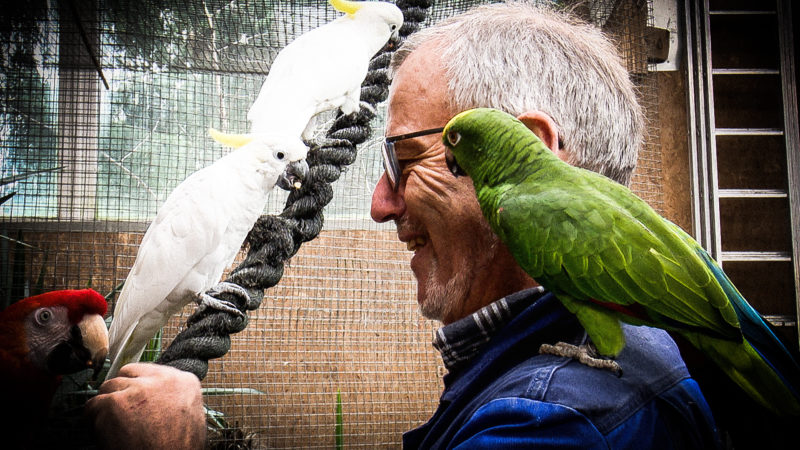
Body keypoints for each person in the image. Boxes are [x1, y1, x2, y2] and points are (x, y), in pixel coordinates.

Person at [86, 2, 720, 448]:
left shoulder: (547, 424)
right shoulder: (623, 344)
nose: (379, 205)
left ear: (529, 148)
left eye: (407, 160)